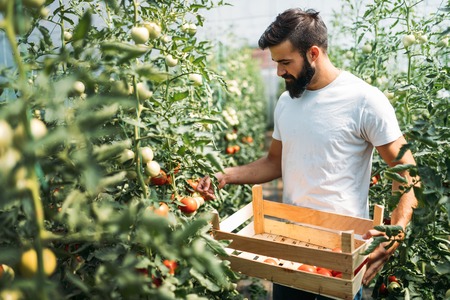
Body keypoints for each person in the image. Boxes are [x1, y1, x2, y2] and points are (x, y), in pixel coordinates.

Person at [197, 8, 418, 300]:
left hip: (341, 255)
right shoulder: (287, 102)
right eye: (276, 62)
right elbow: (274, 162)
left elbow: (407, 171)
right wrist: (225, 175)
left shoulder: (364, 100)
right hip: (289, 248)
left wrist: (396, 232)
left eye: (285, 62)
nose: (278, 71)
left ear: (313, 53)